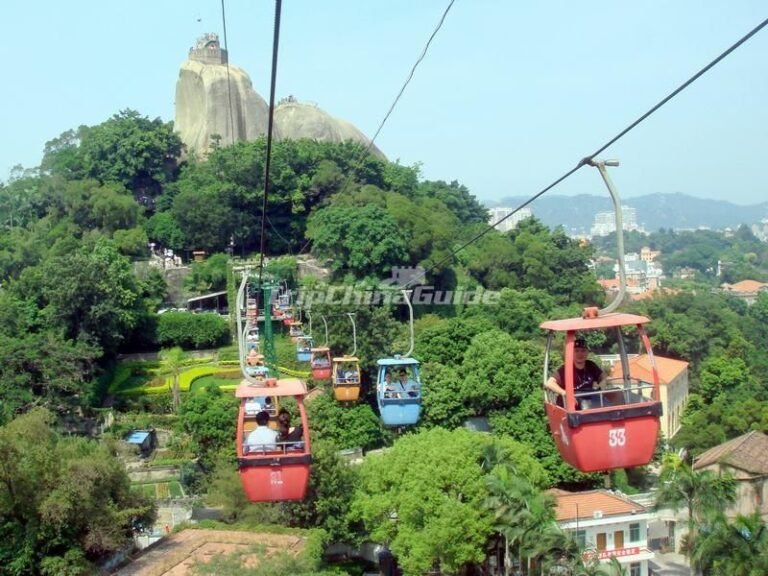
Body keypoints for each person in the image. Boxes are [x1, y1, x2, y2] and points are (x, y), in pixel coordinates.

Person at [545, 337, 607, 409]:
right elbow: (549, 383)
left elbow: (603, 375)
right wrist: (565, 393)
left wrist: (603, 382)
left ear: (587, 352)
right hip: (571, 404)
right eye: (576, 351)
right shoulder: (566, 368)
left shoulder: (591, 365)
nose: (580, 354)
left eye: (583, 351)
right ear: (572, 353)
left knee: (606, 403)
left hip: (588, 399)